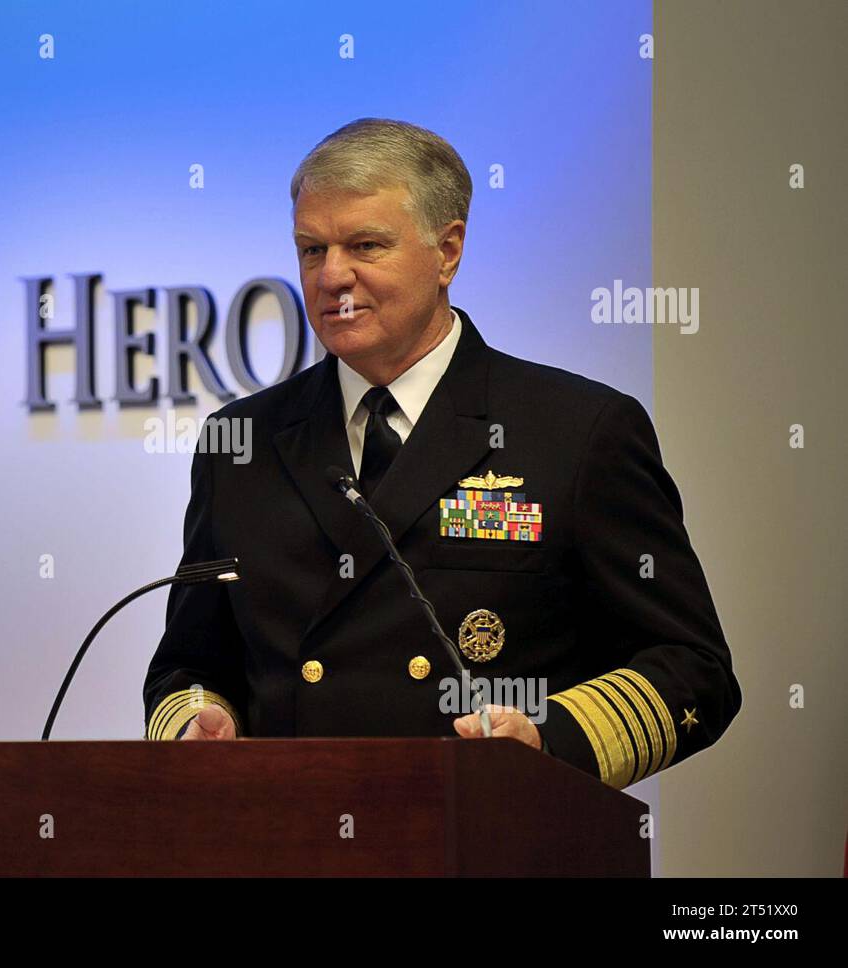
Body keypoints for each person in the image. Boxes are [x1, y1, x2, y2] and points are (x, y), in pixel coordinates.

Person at [142, 119, 740, 789]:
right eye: (312, 250)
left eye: (365, 244)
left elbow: (694, 668)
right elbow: (188, 665)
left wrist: (546, 739)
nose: (332, 274)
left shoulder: (578, 431)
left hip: (483, 835)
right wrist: (199, 718)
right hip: (290, 833)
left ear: (448, 250)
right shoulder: (242, 442)